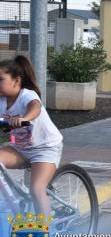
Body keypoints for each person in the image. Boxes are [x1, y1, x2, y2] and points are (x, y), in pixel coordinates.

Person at [0, 56, 63, 216]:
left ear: (16, 80)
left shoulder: (27, 95)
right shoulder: (1, 101)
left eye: (1, 79)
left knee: (36, 189)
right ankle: (13, 200)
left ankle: (45, 233)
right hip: (20, 149)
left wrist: (25, 118)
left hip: (45, 148)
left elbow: (35, 107)